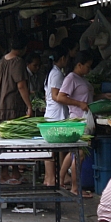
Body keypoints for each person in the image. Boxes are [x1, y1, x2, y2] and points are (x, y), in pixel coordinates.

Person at [0, 33, 33, 184]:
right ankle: (13, 173)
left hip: (1, 104)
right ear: (23, 48)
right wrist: (29, 105)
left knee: (5, 141)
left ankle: (7, 173)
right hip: (13, 105)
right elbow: (21, 85)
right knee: (15, 141)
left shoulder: (3, 60)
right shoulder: (18, 62)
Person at [57, 51, 95, 197]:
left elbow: (86, 98)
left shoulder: (82, 79)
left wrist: (103, 96)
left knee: (74, 152)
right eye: (88, 66)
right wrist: (79, 104)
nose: (89, 69)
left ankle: (60, 180)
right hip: (78, 121)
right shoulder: (71, 78)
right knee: (79, 154)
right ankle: (75, 187)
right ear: (79, 65)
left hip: (83, 120)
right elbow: (61, 97)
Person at [43, 48, 70, 187]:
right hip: (56, 116)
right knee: (52, 150)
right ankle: (52, 178)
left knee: (52, 149)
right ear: (63, 58)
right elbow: (56, 96)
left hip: (52, 113)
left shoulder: (51, 73)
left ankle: (49, 178)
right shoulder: (57, 74)